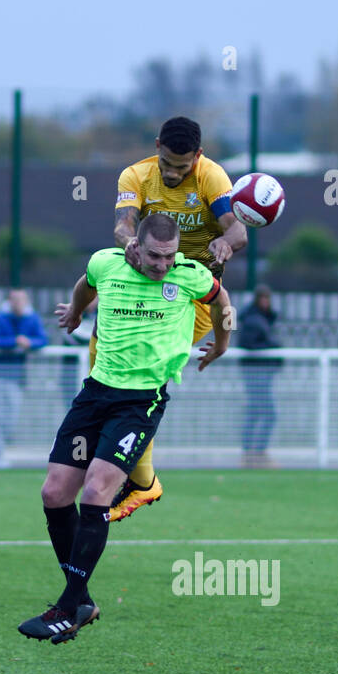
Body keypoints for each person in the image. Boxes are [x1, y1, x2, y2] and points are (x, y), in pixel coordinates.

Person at [19, 213, 230, 644]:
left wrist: (221, 344)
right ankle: (81, 600)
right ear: (136, 245)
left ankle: (68, 605)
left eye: (169, 256)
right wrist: (77, 312)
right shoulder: (106, 263)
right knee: (54, 493)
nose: (162, 264)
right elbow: (85, 284)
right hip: (95, 393)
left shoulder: (190, 275)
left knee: (97, 491)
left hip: (140, 402)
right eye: (155, 255)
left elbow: (221, 300)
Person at [100, 115, 245, 520]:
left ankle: (141, 480)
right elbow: (123, 224)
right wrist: (130, 242)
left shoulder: (213, 178)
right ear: (157, 146)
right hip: (147, 284)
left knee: (144, 368)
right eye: (167, 164)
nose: (173, 173)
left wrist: (225, 240)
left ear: (197, 157)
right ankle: (132, 467)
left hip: (193, 297)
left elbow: (239, 233)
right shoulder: (135, 175)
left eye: (183, 167)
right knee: (105, 353)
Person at [0, 289, 48, 468]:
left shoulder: (32, 318)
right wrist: (15, 341)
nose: (19, 304)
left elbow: (42, 339)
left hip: (16, 377)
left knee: (11, 417)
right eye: (15, 300)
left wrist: (29, 343)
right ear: (9, 301)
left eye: (22, 300)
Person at [236, 285, 283, 468]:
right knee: (266, 414)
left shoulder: (261, 319)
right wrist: (272, 349)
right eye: (263, 298)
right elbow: (249, 345)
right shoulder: (253, 320)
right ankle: (254, 453)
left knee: (256, 413)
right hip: (256, 374)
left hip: (262, 373)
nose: (266, 302)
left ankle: (252, 453)